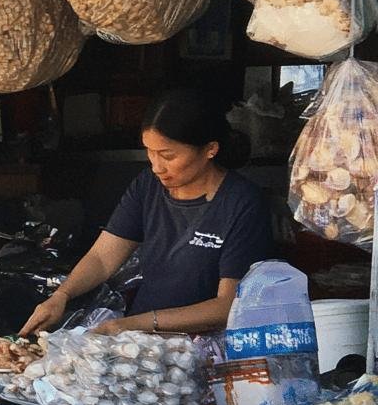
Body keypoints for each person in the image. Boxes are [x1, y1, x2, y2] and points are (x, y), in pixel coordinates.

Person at [21, 90, 272, 337]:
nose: (156, 166)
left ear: (210, 150)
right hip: (143, 341)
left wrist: (133, 324)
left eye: (167, 155)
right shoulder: (147, 186)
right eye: (149, 152)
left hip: (207, 347)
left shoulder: (242, 203)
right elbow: (102, 258)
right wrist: (61, 295)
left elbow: (228, 305)